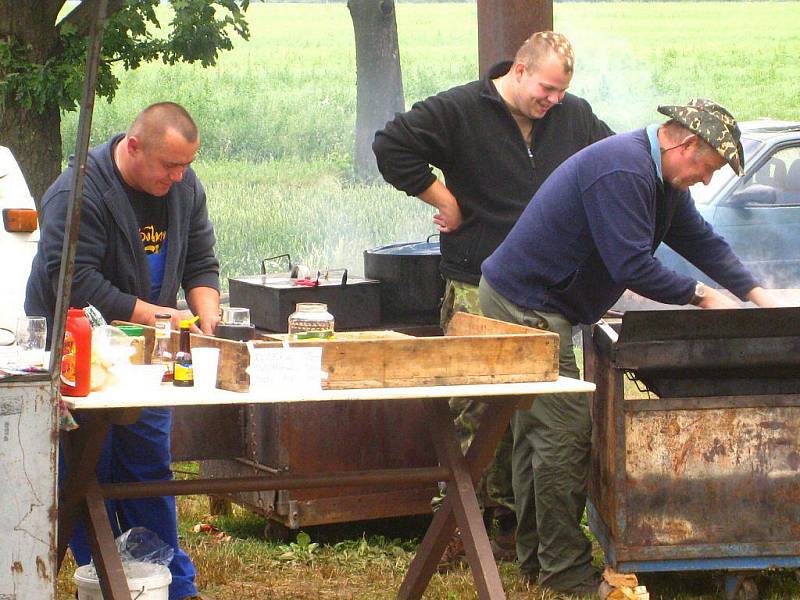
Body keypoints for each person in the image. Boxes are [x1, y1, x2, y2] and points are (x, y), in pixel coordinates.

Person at [479, 98, 781, 596]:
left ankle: (537, 559)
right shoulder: (623, 171)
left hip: (540, 302)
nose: (707, 181)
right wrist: (703, 297)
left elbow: (702, 243)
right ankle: (566, 575)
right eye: (707, 168)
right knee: (562, 435)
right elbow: (631, 266)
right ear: (685, 144)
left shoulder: (660, 180)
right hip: (525, 306)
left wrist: (757, 295)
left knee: (539, 431)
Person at [372, 31, 613, 562]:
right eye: (546, 89)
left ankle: (514, 529)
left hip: (547, 291)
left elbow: (611, 166)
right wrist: (443, 199)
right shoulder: (459, 110)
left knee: (538, 415)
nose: (552, 101)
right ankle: (460, 525)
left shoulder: (574, 118)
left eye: (560, 92)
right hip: (476, 283)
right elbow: (391, 145)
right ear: (520, 71)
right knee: (477, 412)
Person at [26, 102, 220, 600]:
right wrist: (162, 316)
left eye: (185, 166)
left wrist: (209, 319)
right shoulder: (76, 194)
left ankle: (170, 587)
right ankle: (112, 585)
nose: (177, 177)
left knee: (148, 468)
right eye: (167, 166)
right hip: (77, 354)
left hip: (147, 356)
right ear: (132, 147)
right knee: (88, 470)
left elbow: (201, 262)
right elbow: (75, 282)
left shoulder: (183, 187)